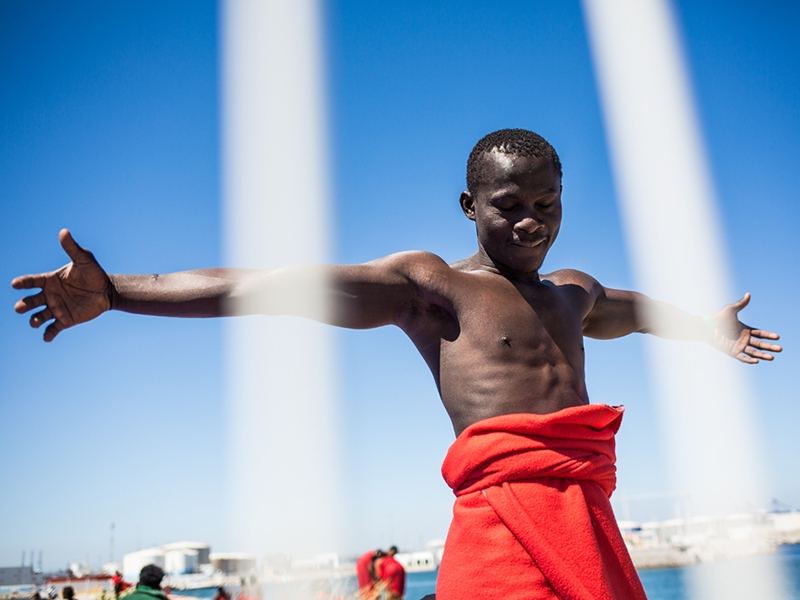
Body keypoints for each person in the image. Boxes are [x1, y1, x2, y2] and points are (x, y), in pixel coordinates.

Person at [12, 129, 782, 599]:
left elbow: (634, 310)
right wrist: (117, 292)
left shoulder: (572, 292)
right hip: (502, 524)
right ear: (468, 205)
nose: (531, 219)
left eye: (548, 203)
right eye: (510, 202)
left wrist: (702, 328)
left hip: (587, 516)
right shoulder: (432, 287)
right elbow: (274, 288)